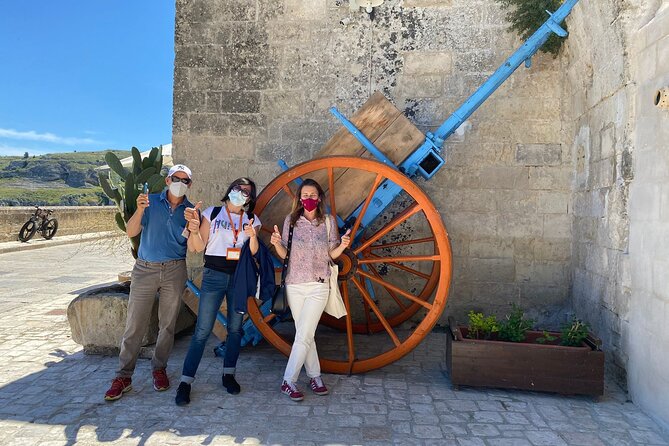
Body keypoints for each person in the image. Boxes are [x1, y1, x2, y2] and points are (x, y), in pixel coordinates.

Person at [104, 164, 194, 401]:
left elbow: (195, 245)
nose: (180, 183)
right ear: (167, 181)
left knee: (168, 324)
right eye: (177, 178)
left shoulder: (190, 210)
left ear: (190, 185)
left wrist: (194, 226)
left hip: (175, 268)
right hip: (145, 269)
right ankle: (123, 376)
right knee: (135, 323)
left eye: (186, 181)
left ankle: (159, 368)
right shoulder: (149, 202)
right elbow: (131, 231)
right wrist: (140, 210)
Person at [174, 178, 262, 406]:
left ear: (250, 199)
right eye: (238, 188)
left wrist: (252, 235)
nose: (241, 193)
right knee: (202, 330)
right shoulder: (213, 213)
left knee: (235, 329)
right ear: (229, 189)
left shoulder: (252, 219)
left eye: (247, 192)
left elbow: (253, 252)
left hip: (239, 279)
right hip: (213, 275)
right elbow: (198, 246)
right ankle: (185, 381)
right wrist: (193, 230)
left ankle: (229, 375)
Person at [270, 178, 351, 402]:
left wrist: (343, 246)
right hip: (295, 284)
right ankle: (315, 376)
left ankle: (289, 380)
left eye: (312, 195)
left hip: (318, 284)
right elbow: (285, 253)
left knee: (304, 333)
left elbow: (331, 254)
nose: (308, 199)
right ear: (299, 198)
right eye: (305, 195)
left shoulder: (327, 221)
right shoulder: (291, 221)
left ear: (319, 198)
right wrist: (276, 242)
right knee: (306, 334)